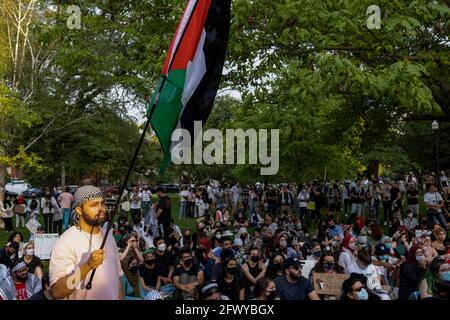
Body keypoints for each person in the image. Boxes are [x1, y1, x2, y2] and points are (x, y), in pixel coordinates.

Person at [49, 186, 124, 300]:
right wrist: (87, 266)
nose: (101, 209)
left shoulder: (108, 235)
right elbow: (57, 291)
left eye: (102, 203)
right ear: (79, 210)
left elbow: (117, 277)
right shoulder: (65, 242)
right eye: (94, 205)